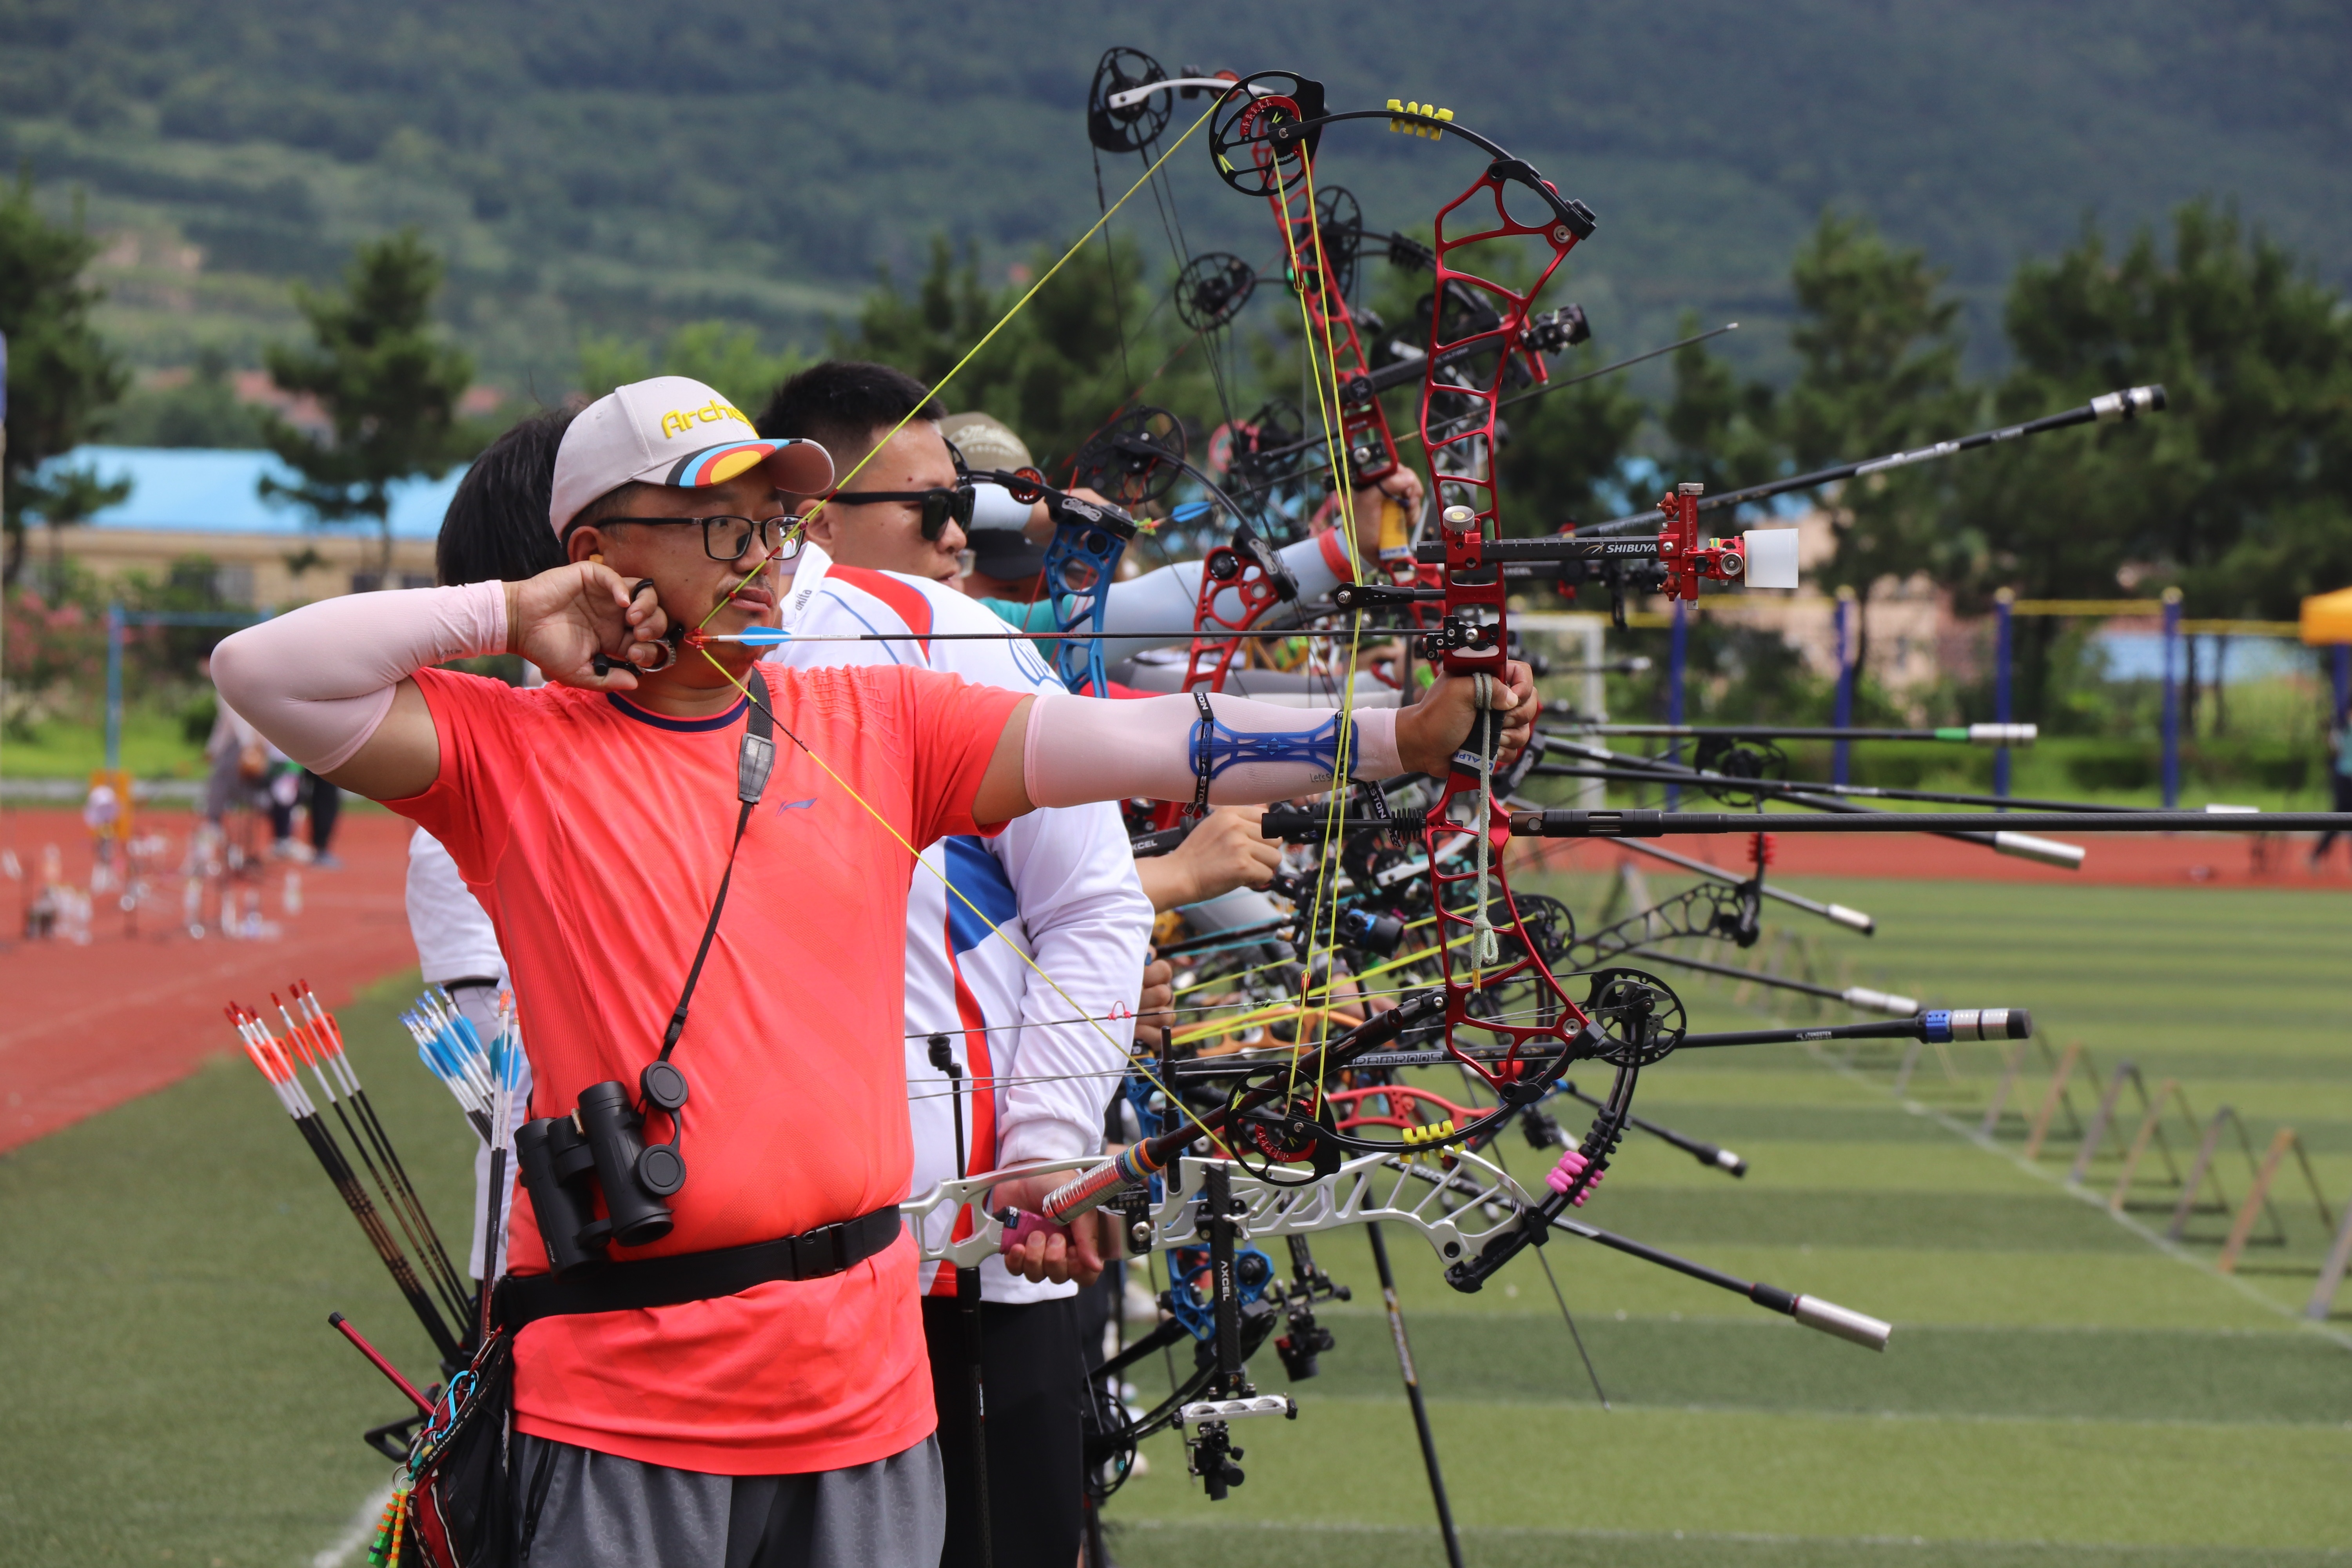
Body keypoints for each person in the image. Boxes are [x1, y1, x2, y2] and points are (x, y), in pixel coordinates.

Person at [209, 373, 1534, 1568]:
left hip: (861, 1384)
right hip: (628, 1397)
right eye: (717, 524)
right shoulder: (513, 752)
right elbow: (263, 672)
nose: (762, 558)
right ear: (599, 556)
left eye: (774, 523)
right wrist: (513, 611)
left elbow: (1146, 743)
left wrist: (1400, 736)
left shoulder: (877, 719)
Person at [760, 365, 1152, 1568]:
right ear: (808, 508)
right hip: (753, 1267)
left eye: (965, 506)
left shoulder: (957, 638)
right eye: (930, 507)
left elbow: (1092, 898)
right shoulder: (661, 649)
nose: (955, 534)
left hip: (964, 1254)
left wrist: (1039, 1146)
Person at [2313, 702, 2352, 868]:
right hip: (2344, 779)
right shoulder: (2342, 731)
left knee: (2341, 820)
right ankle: (2316, 855)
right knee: (2339, 818)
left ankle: (2316, 856)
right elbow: (2334, 748)